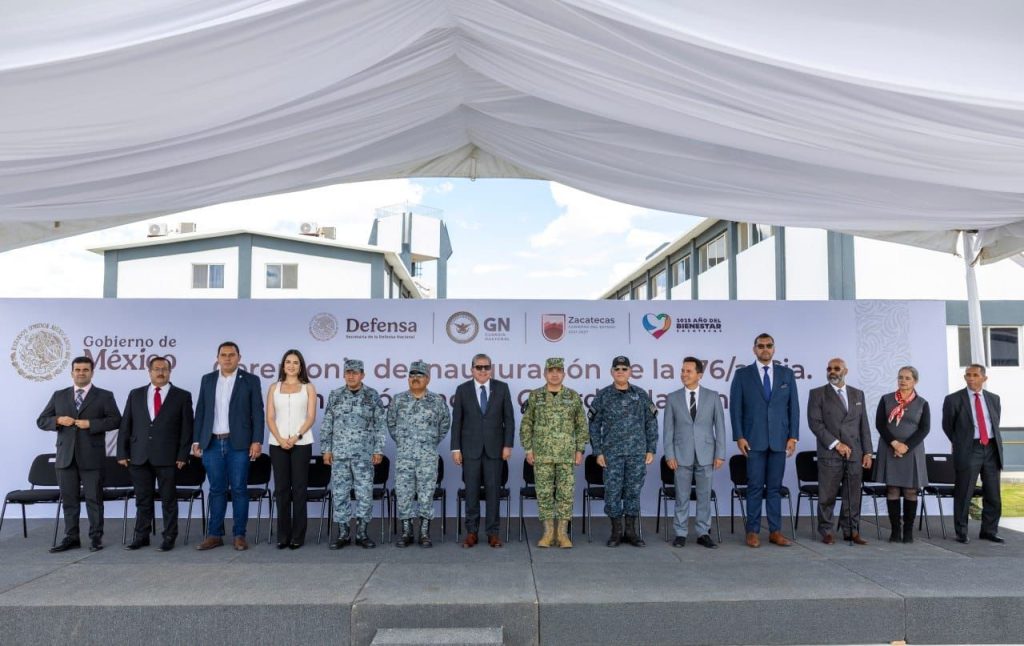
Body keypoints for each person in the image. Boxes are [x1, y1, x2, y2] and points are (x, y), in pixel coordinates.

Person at [36, 356, 121, 553]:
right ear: (72, 372)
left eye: (85, 370)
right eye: (78, 370)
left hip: (92, 457)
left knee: (94, 499)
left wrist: (91, 424)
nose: (81, 373)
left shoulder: (104, 395)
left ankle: (95, 538)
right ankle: (71, 537)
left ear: (92, 372)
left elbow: (116, 420)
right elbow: (41, 421)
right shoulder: (59, 395)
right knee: (69, 501)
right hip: (65, 458)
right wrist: (58, 420)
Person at [192, 341, 265, 551]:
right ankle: (214, 535)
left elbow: (257, 412)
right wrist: (197, 440)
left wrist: (257, 440)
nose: (227, 358)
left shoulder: (250, 380)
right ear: (217, 358)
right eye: (223, 355)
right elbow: (201, 411)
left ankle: (239, 535)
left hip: (239, 443)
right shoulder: (207, 379)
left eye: (231, 355)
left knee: (239, 489)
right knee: (216, 489)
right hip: (212, 443)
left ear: (239, 358)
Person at [729, 333, 799, 548]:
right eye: (761, 346)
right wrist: (739, 436)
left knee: (775, 488)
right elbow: (735, 408)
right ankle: (752, 531)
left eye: (769, 346)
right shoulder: (742, 375)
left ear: (774, 349)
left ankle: (775, 532)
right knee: (755, 487)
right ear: (754, 349)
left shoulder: (787, 374)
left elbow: (793, 408)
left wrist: (793, 437)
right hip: (753, 440)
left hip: (779, 440)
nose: (765, 349)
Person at [116, 356, 193, 551]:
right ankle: (141, 536)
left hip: (168, 457)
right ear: (149, 372)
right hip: (139, 455)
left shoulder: (182, 396)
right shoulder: (135, 394)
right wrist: (122, 452)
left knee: (168, 500)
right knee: (142, 499)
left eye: (164, 369)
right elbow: (126, 425)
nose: (160, 372)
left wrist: (183, 455)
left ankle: (169, 537)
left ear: (170, 372)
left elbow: (187, 429)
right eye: (157, 369)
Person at [589, 355, 657, 547]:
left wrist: (651, 449)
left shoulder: (641, 395)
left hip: (637, 453)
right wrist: (598, 451)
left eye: (624, 369)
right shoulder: (603, 396)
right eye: (617, 369)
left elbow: (651, 423)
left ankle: (631, 531)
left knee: (633, 492)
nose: (620, 372)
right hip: (612, 455)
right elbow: (593, 425)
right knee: (612, 493)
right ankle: (616, 532)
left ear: (630, 372)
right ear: (612, 372)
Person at [520, 357, 589, 549]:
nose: (555, 374)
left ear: (564, 374)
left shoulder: (572, 396)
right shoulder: (535, 396)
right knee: (544, 494)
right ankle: (548, 533)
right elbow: (527, 424)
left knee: (566, 494)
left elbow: (581, 425)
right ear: (545, 373)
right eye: (551, 371)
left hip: (566, 455)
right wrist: (528, 448)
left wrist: (580, 449)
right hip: (542, 455)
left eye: (558, 370)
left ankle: (562, 534)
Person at [450, 353, 515, 548]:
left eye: (486, 367)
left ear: (491, 369)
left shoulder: (502, 388)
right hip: (470, 450)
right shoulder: (462, 390)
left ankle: (493, 533)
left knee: (493, 492)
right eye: (479, 367)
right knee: (471, 492)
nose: (483, 370)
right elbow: (457, 421)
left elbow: (509, 419)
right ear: (472, 369)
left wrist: (508, 445)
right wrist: (455, 448)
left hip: (495, 450)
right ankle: (471, 532)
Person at [806, 358, 873, 545]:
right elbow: (815, 424)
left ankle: (851, 530)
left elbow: (864, 425)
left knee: (853, 495)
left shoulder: (857, 394)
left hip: (855, 453)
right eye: (829, 368)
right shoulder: (817, 394)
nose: (832, 372)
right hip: (830, 453)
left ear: (846, 371)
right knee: (827, 495)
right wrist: (836, 444)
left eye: (836, 368)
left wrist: (868, 452)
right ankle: (826, 531)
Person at [320, 359, 385, 550]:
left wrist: (378, 449)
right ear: (344, 374)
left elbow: (380, 425)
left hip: (364, 454)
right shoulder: (335, 395)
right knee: (340, 493)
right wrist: (326, 449)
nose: (351, 376)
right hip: (340, 454)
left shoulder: (372, 395)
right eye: (348, 372)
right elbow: (327, 424)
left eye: (355, 373)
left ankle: (362, 533)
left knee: (364, 493)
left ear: (362, 375)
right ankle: (343, 533)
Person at [664, 356, 726, 548]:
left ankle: (703, 533)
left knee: (704, 496)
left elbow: (720, 427)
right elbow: (668, 430)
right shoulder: (673, 397)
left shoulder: (712, 396)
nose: (684, 374)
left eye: (688, 371)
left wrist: (720, 453)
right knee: (681, 496)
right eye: (682, 370)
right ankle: (680, 533)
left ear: (699, 374)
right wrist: (670, 454)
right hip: (681, 454)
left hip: (706, 454)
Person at [387, 360, 451, 548]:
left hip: (427, 457)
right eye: (412, 375)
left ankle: (424, 532)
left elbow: (445, 424)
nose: (415, 378)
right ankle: (406, 532)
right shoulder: (398, 400)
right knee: (404, 493)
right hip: (404, 456)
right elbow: (391, 424)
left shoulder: (437, 401)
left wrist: (430, 441)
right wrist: (403, 441)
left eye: (420, 375)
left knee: (426, 494)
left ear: (428, 379)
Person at [942, 364, 1004, 544]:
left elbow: (995, 422)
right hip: (969, 449)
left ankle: (989, 531)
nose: (970, 378)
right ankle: (961, 532)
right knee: (964, 491)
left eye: (975, 375)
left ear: (984, 378)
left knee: (993, 494)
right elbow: (948, 426)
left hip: (991, 449)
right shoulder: (953, 399)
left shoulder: (994, 399)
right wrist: (961, 443)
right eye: (968, 375)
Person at [266, 349, 317, 549]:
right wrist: (280, 439)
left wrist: (296, 437)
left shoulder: (308, 388)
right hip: (277, 444)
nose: (291, 365)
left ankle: (298, 536)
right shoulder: (274, 387)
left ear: (301, 366)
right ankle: (283, 535)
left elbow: (310, 417)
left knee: (299, 489)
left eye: (296, 362)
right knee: (281, 490)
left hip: (301, 444)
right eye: (288, 362)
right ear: (283, 365)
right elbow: (270, 417)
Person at [874, 366, 930, 543]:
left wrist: (906, 446)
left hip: (912, 451)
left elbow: (924, 429)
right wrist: (895, 443)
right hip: (889, 447)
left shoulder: (922, 403)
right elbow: (880, 424)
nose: (903, 381)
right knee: (892, 489)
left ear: (915, 381)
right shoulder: (886, 399)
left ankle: (908, 531)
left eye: (907, 378)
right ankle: (895, 531)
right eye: (900, 377)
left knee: (910, 491)